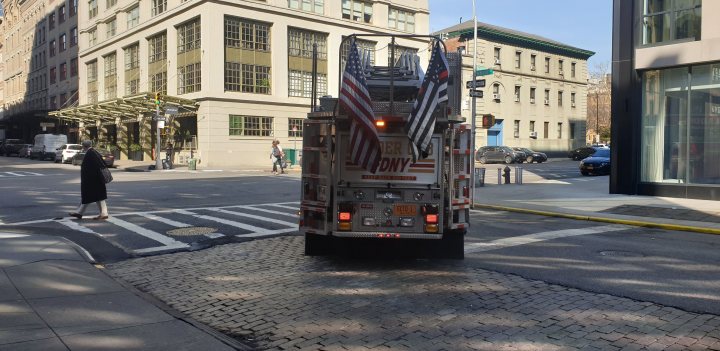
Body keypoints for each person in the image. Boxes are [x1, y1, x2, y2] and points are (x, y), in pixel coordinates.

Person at [69, 140, 109, 220]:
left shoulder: (91, 153)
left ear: (84, 146)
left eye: (82, 147)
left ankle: (80, 212)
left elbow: (94, 167)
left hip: (93, 180)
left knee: (90, 196)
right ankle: (102, 213)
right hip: (95, 179)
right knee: (96, 196)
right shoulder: (93, 152)